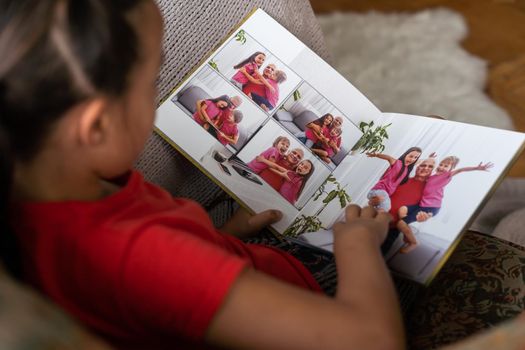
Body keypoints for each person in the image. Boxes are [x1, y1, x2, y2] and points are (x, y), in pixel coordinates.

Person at [1, 1, 403, 349]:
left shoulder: (48, 198)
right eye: (151, 84)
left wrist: (219, 238)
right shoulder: (135, 254)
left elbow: (168, 292)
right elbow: (373, 341)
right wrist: (357, 246)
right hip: (320, 294)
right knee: (397, 200)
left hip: (245, 259)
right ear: (97, 127)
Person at [397, 156, 494, 241]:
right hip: (422, 205)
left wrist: (476, 168)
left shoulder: (446, 176)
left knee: (400, 223)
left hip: (430, 207)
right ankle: (406, 232)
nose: (441, 167)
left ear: (450, 169)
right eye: (441, 164)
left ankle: (413, 242)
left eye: (446, 166)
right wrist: (429, 158)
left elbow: (461, 170)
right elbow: (419, 166)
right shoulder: (431, 177)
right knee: (402, 210)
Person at [370, 157, 436, 254]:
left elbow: (431, 209)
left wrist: (427, 216)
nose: (426, 168)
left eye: (430, 167)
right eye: (423, 165)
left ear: (433, 171)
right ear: (417, 166)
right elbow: (382, 184)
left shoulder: (428, 191)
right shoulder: (402, 179)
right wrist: (373, 201)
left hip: (391, 231)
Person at [366, 147, 422, 212]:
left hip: (385, 195)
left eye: (415, 157)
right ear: (405, 154)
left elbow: (419, 161)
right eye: (411, 156)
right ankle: (371, 201)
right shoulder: (397, 163)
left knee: (381, 209)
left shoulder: (407, 170)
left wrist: (430, 158)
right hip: (379, 190)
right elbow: (388, 157)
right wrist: (376, 154)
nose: (412, 159)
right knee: (386, 206)